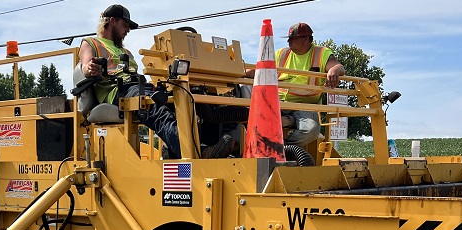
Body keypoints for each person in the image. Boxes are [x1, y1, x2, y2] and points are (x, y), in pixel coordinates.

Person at [78, 4, 238, 159]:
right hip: (118, 92)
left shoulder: (124, 51)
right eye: (125, 25)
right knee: (155, 108)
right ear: (112, 21)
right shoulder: (91, 43)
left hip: (137, 86)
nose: (127, 30)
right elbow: (86, 65)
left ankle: (195, 149)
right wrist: (90, 68)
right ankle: (196, 153)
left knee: (188, 99)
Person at [275, 22, 346, 146]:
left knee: (311, 130)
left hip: (306, 105)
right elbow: (259, 71)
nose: (289, 41)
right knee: (252, 119)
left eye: (293, 38)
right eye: (289, 38)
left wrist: (334, 70)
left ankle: (283, 149)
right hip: (279, 103)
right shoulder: (281, 54)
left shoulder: (321, 53)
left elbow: (338, 67)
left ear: (306, 39)